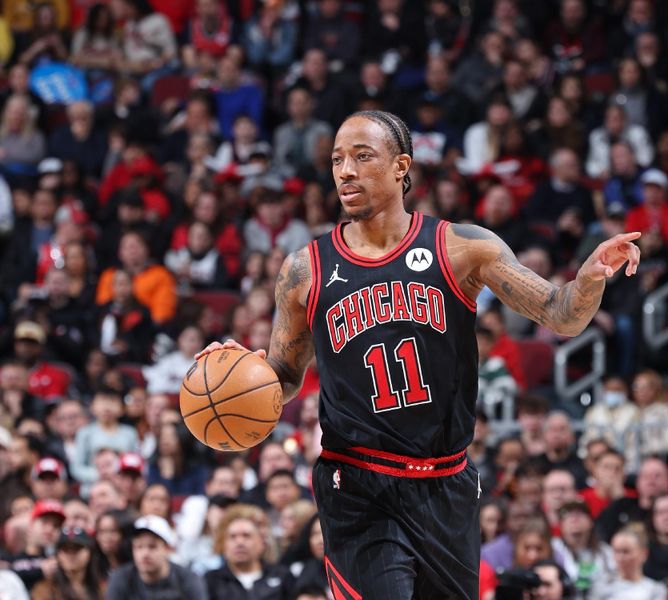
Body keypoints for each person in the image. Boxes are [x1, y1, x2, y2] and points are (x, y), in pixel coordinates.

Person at [197, 109, 641, 598]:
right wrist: (243, 374)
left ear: (401, 166)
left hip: (445, 483)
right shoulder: (305, 270)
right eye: (338, 159)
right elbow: (282, 375)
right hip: (358, 485)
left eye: (362, 157)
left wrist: (590, 277)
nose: (345, 171)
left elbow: (560, 314)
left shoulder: (463, 247)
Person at [105, 514, 208, 600]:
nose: (145, 554)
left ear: (167, 549)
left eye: (152, 547)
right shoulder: (120, 579)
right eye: (139, 547)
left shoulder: (188, 579)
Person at [204, 504, 293, 599]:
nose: (239, 542)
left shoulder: (282, 575)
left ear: (261, 542)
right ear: (223, 544)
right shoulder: (210, 580)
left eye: (246, 536)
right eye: (232, 537)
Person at [590, 527, 667, 600]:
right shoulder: (601, 586)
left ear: (644, 553)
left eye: (626, 551)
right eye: (617, 551)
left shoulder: (655, 590)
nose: (620, 558)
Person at [30, 527, 105, 600]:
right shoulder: (44, 590)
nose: (71, 555)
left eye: (77, 548)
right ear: (58, 554)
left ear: (89, 553)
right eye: (65, 549)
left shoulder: (103, 589)